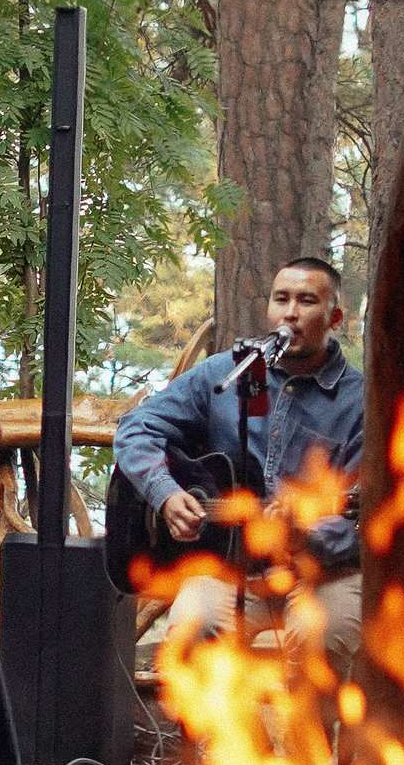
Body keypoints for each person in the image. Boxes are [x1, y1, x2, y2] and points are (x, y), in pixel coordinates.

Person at [114, 257, 364, 677]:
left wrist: (302, 534)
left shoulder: (360, 402)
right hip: (225, 565)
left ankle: (310, 724)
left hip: (321, 573)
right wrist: (165, 493)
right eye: (281, 299)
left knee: (325, 636)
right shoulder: (225, 373)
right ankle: (215, 722)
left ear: (334, 317)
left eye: (306, 301)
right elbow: (136, 428)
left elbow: (362, 518)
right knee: (192, 629)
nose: (290, 312)